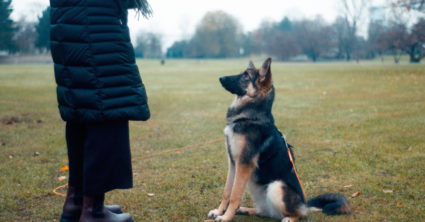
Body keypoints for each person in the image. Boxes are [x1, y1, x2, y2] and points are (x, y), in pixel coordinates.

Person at [49, 0, 152, 221]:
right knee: (108, 109)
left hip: (69, 23)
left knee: (83, 110)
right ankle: (93, 210)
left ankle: (76, 203)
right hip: (94, 25)